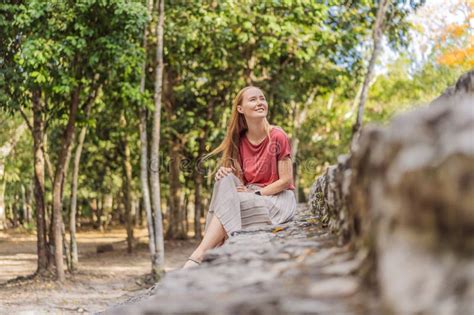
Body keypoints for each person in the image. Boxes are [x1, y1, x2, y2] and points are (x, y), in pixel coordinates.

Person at [182, 86, 297, 269]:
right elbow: (239, 184)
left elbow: (286, 181)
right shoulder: (240, 139)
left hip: (277, 199)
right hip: (250, 195)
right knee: (224, 179)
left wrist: (257, 193)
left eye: (262, 98)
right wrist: (224, 172)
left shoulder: (278, 135)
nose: (260, 102)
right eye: (253, 99)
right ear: (240, 109)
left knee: (235, 202)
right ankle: (215, 248)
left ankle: (200, 254)